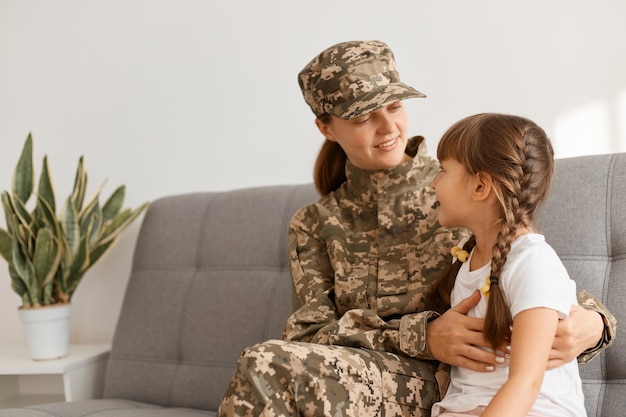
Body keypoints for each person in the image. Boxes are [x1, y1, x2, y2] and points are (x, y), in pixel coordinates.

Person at [217, 40, 615, 417]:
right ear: (326, 128)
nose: (387, 126)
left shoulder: (462, 188)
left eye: (394, 106)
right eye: (362, 116)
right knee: (267, 362)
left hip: (455, 383)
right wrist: (420, 335)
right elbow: (307, 336)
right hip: (364, 378)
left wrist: (595, 325)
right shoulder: (314, 223)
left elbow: (530, 268)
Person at [429, 113, 587, 417]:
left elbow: (525, 383)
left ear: (480, 187)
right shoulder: (465, 257)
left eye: (442, 170)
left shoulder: (532, 263)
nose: (433, 184)